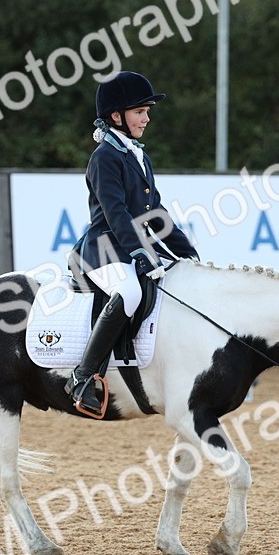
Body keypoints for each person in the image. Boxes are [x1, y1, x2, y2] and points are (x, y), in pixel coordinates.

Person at [67, 71, 199, 417]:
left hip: (130, 248)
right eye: (140, 111)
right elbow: (116, 214)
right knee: (130, 294)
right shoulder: (104, 158)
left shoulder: (138, 155)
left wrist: (188, 253)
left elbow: (155, 212)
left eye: (147, 111)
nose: (147, 117)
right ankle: (83, 377)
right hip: (103, 250)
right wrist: (141, 251)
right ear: (116, 116)